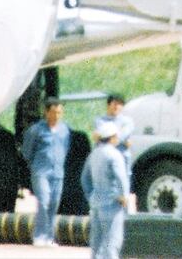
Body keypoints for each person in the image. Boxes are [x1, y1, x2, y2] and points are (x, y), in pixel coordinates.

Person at [21, 99, 71, 247]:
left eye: (59, 112)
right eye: (54, 112)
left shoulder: (64, 130)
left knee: (54, 203)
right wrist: (36, 166)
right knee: (44, 201)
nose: (57, 116)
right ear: (46, 112)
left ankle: (49, 236)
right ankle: (39, 235)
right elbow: (27, 152)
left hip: (57, 172)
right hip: (41, 171)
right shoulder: (36, 130)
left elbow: (65, 148)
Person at [81, 122, 130, 259]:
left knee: (96, 245)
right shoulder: (114, 154)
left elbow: (84, 179)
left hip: (96, 204)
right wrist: (123, 197)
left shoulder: (94, 154)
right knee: (112, 243)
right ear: (113, 137)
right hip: (112, 204)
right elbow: (121, 178)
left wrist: (90, 196)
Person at [94, 94, 134, 177]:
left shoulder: (128, 121)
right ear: (108, 105)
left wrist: (106, 138)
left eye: (120, 104)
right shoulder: (100, 120)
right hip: (105, 158)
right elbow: (99, 136)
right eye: (115, 104)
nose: (117, 107)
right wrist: (124, 142)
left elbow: (121, 136)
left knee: (123, 185)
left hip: (123, 158)